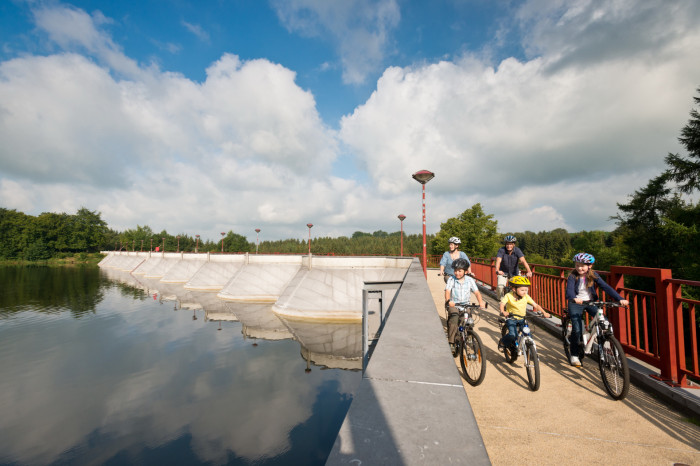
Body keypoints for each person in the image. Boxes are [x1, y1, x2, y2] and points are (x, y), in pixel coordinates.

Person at [565, 252, 629, 367]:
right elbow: (569, 290)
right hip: (576, 303)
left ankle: (607, 348)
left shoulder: (593, 275)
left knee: (604, 322)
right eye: (577, 265)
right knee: (577, 329)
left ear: (590, 266)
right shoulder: (572, 276)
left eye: (582, 266)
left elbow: (606, 287)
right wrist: (573, 298)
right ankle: (574, 354)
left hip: (590, 302)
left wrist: (620, 299)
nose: (579, 268)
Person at [497, 276, 550, 352]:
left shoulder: (526, 296)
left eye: (526, 290)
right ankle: (502, 342)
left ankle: (531, 353)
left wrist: (544, 312)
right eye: (522, 290)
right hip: (511, 318)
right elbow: (502, 304)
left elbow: (536, 305)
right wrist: (503, 311)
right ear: (514, 289)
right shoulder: (508, 295)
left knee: (528, 335)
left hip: (522, 319)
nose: (525, 292)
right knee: (512, 335)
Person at [445, 258, 485, 355]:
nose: (457, 273)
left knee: (468, 320)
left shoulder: (470, 280)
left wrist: (481, 302)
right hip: (454, 304)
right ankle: (451, 342)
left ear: (465, 271)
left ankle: (468, 335)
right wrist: (449, 301)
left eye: (459, 271)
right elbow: (447, 291)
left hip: (465, 304)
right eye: (455, 271)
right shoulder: (451, 279)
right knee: (454, 319)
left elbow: (477, 292)